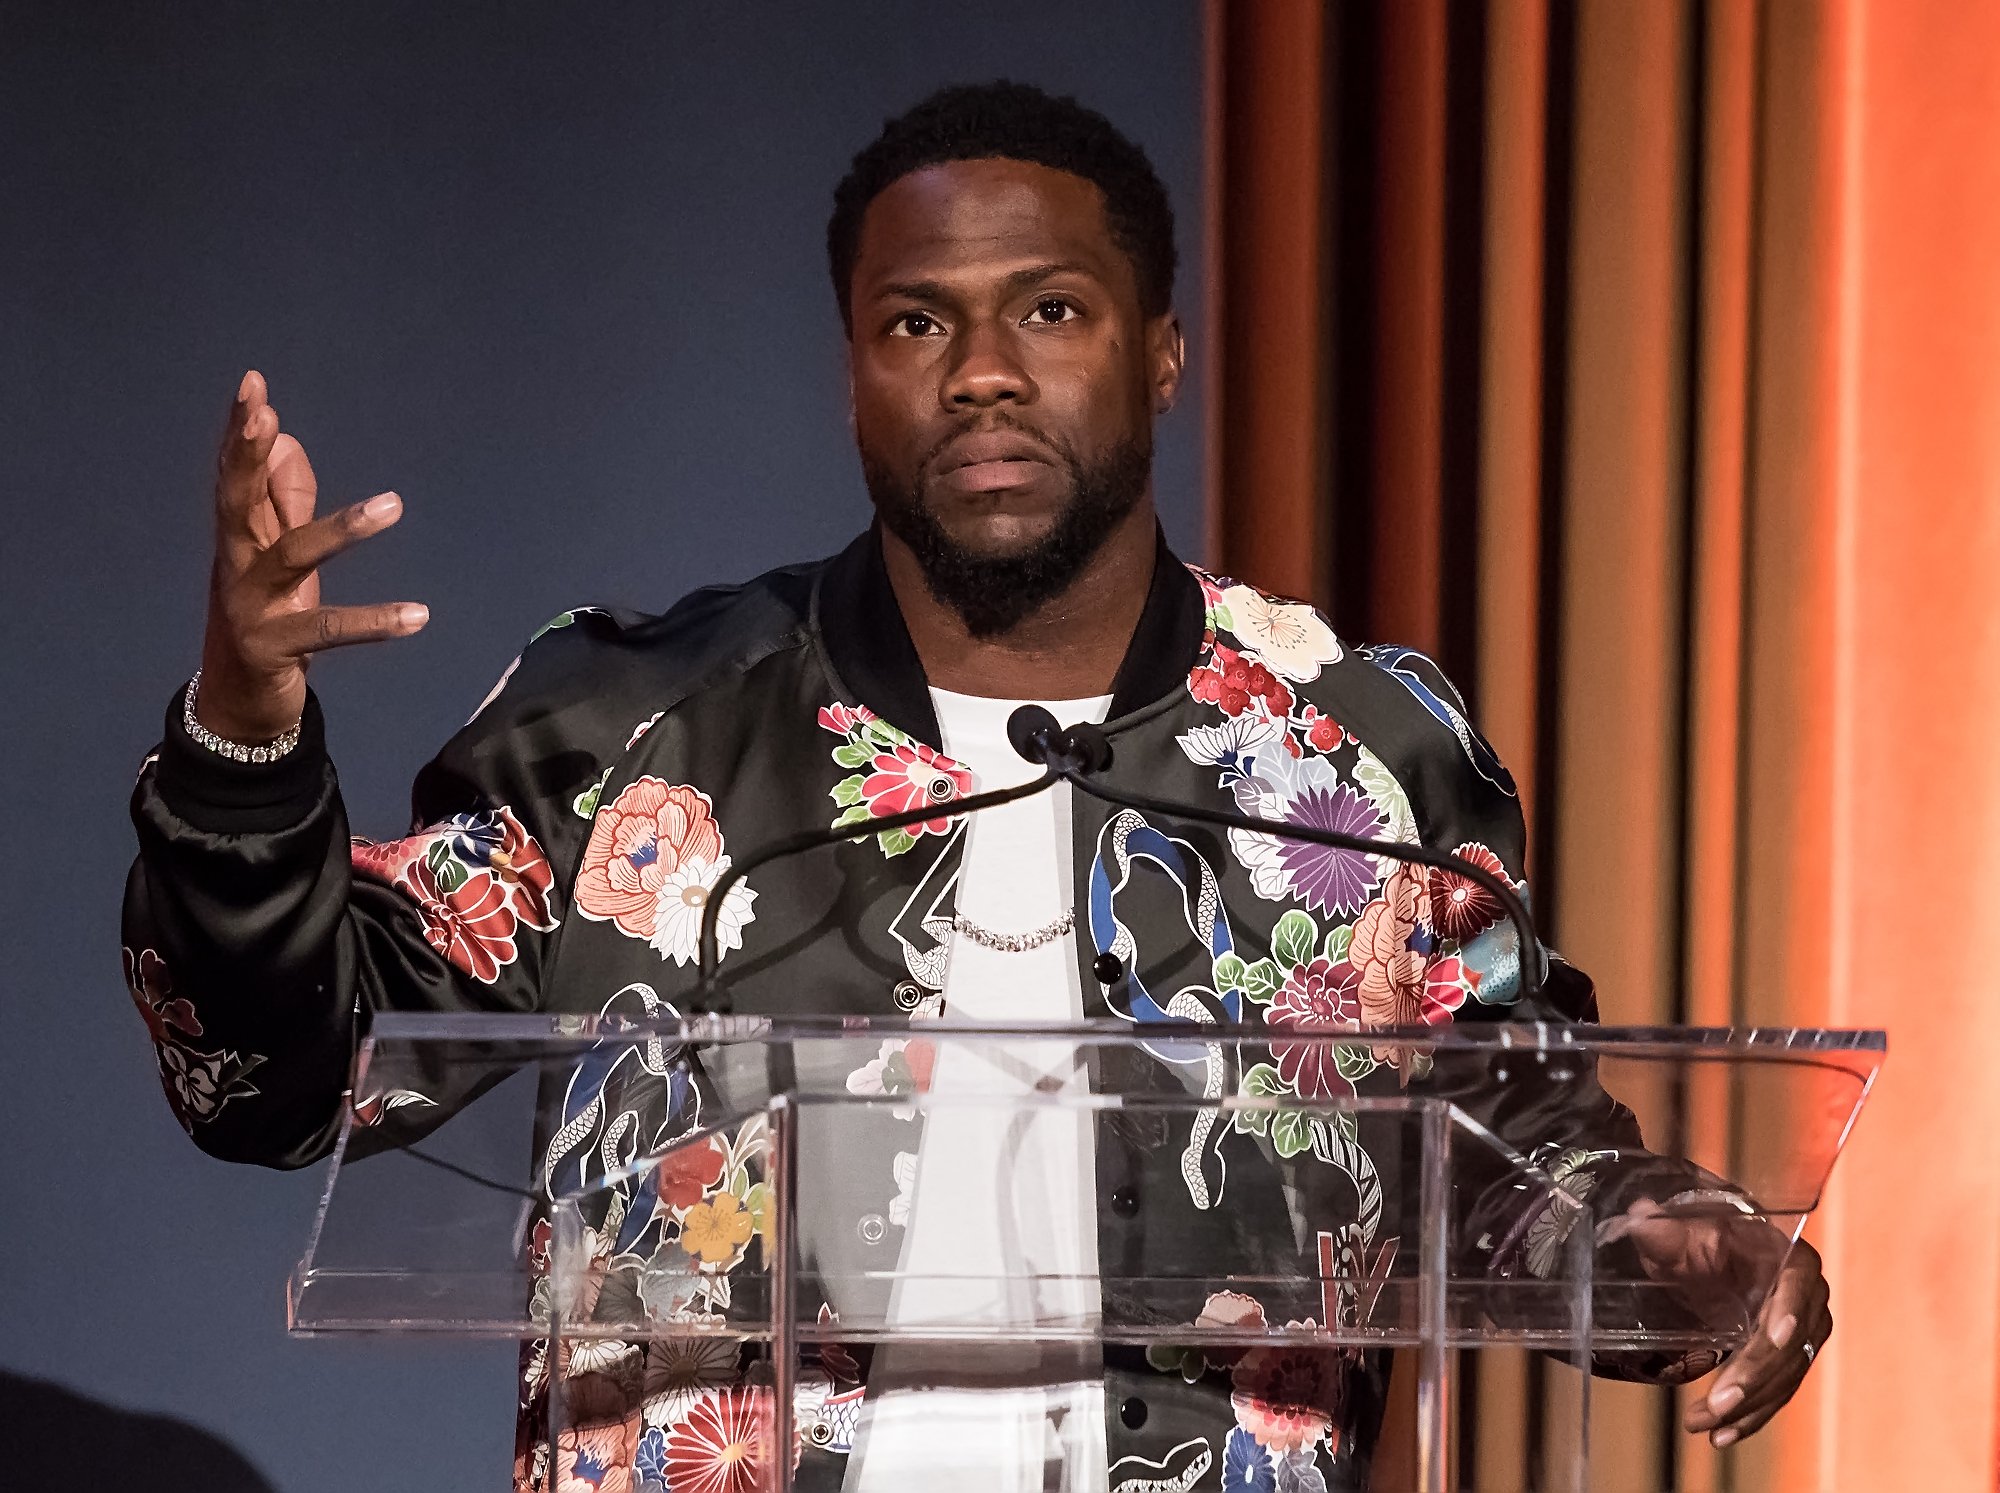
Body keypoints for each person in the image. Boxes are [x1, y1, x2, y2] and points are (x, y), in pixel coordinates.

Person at [122, 82, 1829, 1491]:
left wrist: (1692, 1248)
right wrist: (244, 731)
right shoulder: (646, 727)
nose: (985, 369)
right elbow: (275, 1072)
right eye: (918, 321)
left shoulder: (1353, 757)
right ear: (853, 365)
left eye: (1052, 310)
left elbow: (1509, 1144)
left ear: (1162, 351)